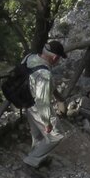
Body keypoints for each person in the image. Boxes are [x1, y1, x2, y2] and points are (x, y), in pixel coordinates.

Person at [22, 40, 69, 169]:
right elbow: (42, 101)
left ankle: (37, 157)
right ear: (55, 57)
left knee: (37, 134)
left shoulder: (29, 57)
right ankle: (31, 161)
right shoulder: (44, 74)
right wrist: (47, 122)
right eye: (59, 58)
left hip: (26, 101)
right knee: (56, 135)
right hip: (37, 106)